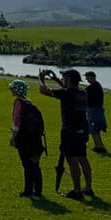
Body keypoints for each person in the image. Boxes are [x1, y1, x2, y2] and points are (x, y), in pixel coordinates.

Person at [38, 69, 93, 199]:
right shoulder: (82, 92)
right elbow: (67, 89)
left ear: (68, 79)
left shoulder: (66, 93)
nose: (62, 80)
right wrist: (55, 78)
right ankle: (88, 188)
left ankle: (77, 190)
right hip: (82, 130)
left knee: (72, 160)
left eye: (64, 78)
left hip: (70, 131)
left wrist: (41, 78)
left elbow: (43, 90)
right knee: (83, 158)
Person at [8, 79, 45, 198]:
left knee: (27, 165)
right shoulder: (29, 103)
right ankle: (37, 190)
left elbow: (17, 123)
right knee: (35, 164)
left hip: (24, 139)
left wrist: (13, 138)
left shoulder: (18, 103)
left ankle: (28, 191)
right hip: (35, 139)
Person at [84, 71, 108, 153]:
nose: (86, 79)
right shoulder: (96, 86)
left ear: (92, 77)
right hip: (96, 110)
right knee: (95, 129)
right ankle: (99, 145)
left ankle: (99, 147)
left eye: (87, 77)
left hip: (94, 110)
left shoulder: (93, 87)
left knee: (94, 129)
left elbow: (85, 93)